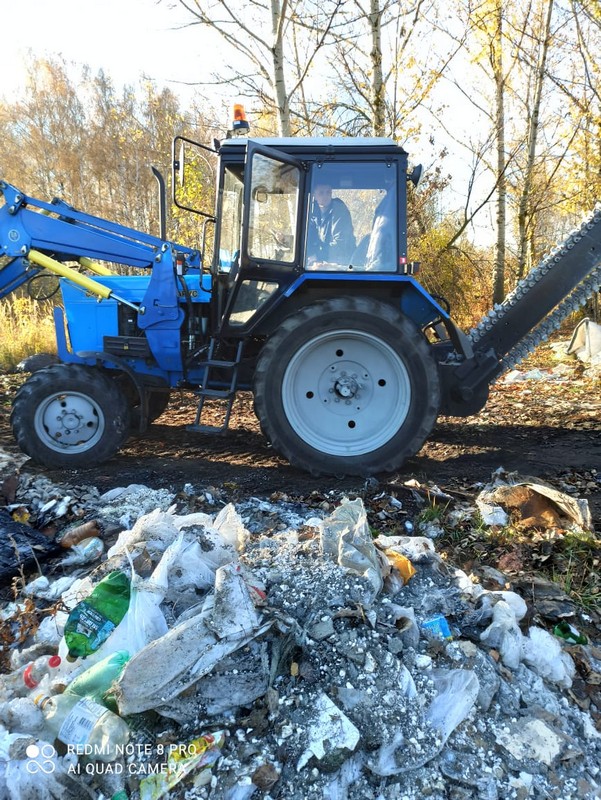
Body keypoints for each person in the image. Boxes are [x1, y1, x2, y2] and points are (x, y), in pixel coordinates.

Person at [306, 183, 356, 266]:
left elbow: (341, 243)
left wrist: (318, 256)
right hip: (326, 261)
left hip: (344, 263)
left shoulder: (339, 210)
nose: (325, 196)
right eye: (321, 193)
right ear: (314, 195)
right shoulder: (312, 212)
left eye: (328, 192)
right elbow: (308, 239)